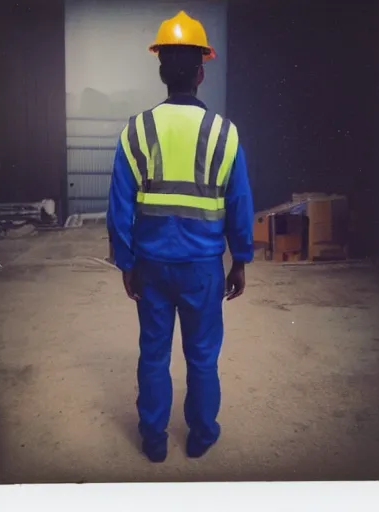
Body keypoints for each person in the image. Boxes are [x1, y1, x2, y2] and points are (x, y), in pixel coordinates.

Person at [107, 11, 254, 463]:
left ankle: (153, 440)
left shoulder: (135, 131)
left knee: (153, 354)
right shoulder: (224, 134)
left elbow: (119, 207)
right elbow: (240, 205)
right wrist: (240, 259)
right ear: (201, 71)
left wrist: (126, 262)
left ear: (161, 71)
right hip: (203, 268)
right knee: (202, 357)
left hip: (151, 265)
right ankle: (201, 435)